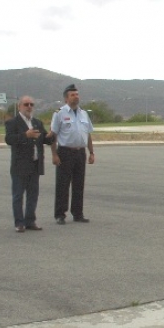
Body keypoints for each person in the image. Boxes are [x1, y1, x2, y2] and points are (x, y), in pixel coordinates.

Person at [5, 96, 55, 232]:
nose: (29, 107)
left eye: (31, 104)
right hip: (19, 166)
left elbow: (46, 140)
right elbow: (9, 139)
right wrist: (25, 135)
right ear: (19, 107)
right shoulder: (13, 123)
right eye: (26, 104)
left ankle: (30, 220)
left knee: (33, 195)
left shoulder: (37, 123)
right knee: (18, 195)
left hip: (34, 165)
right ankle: (19, 223)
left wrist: (52, 135)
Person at [50, 83, 95, 224]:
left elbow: (87, 134)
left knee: (79, 184)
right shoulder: (59, 113)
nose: (76, 97)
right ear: (66, 99)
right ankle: (60, 214)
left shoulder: (84, 113)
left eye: (77, 94)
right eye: (72, 95)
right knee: (63, 184)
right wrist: (54, 154)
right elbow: (53, 135)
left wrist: (91, 152)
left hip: (80, 152)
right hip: (65, 152)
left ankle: (78, 213)